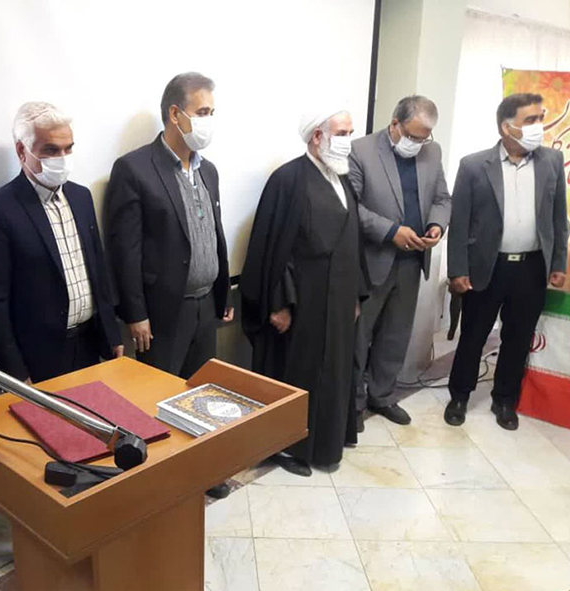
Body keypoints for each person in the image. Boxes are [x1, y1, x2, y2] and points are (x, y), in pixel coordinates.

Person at [105, 72, 233, 499]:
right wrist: (135, 313)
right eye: (203, 111)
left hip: (205, 305)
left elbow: (213, 234)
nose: (209, 120)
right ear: (175, 114)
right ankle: (164, 484)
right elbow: (124, 250)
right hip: (162, 312)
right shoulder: (135, 169)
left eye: (212, 111)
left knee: (202, 395)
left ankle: (205, 472)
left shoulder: (208, 170)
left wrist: (223, 292)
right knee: (158, 401)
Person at [241, 107, 367, 476]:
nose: (348, 141)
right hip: (301, 305)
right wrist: (279, 304)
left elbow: (353, 239)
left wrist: (355, 296)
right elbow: (273, 249)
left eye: (350, 133)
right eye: (341, 133)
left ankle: (327, 441)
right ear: (317, 136)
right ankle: (289, 447)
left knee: (335, 373)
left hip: (339, 301)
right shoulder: (288, 180)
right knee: (298, 375)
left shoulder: (341, 178)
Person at [0, 102, 123, 383]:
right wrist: (13, 372)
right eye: (51, 150)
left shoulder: (81, 197)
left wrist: (112, 334)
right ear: (22, 151)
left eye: (68, 148)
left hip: (89, 344)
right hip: (38, 356)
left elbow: (97, 269)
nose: (62, 158)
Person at [445, 93, 568, 430]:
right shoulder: (474, 165)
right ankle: (459, 396)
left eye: (540, 118)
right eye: (530, 120)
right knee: (473, 335)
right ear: (506, 127)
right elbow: (460, 222)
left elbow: (559, 218)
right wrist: (457, 270)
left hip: (531, 267)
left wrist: (558, 262)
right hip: (487, 266)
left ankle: (504, 399)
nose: (538, 126)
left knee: (518, 337)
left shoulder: (552, 161)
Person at [349, 95, 452, 429]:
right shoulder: (361, 150)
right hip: (372, 261)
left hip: (412, 261)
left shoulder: (432, 153)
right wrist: (391, 231)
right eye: (412, 136)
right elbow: (351, 207)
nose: (418, 144)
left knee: (395, 335)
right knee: (359, 337)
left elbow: (442, 198)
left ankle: (381, 395)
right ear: (395, 124)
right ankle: (354, 404)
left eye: (424, 138)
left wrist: (436, 225)